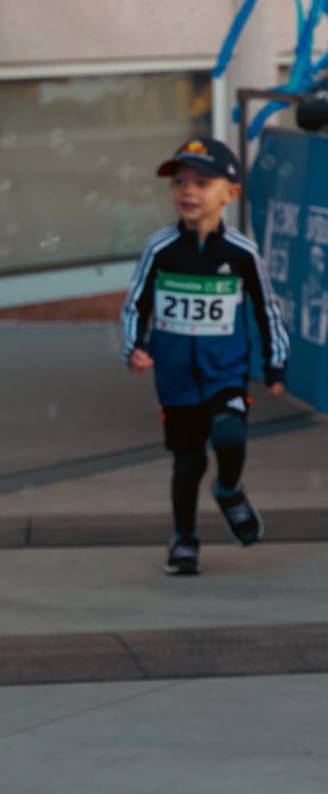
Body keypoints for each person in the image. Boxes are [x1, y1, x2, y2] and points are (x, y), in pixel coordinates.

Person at [120, 137, 290, 576]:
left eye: (201, 183)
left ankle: (229, 490)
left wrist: (275, 363)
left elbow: (267, 308)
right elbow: (137, 304)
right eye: (180, 182)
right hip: (175, 376)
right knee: (187, 460)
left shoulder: (241, 252)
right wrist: (136, 347)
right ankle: (184, 540)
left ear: (230, 193)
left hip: (226, 370)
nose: (188, 192)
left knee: (230, 435)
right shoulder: (160, 248)